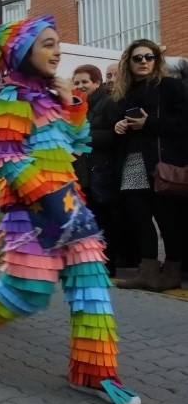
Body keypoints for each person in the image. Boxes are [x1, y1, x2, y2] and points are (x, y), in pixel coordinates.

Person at [0, 15, 141, 404]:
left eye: (57, 43)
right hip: (32, 214)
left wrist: (72, 102)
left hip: (71, 207)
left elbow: (79, 141)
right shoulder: (9, 99)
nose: (57, 52)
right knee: (29, 293)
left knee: (92, 289)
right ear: (22, 53)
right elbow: (6, 158)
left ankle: (94, 372)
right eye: (47, 45)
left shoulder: (53, 97)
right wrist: (46, 197)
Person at [113, 40, 188, 292]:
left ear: (156, 60)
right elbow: (124, 124)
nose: (143, 62)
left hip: (161, 163)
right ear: (129, 63)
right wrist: (119, 127)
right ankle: (148, 272)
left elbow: (183, 123)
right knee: (139, 216)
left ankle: (172, 273)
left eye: (148, 57)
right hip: (133, 161)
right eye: (137, 58)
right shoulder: (127, 91)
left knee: (167, 219)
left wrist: (150, 123)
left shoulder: (170, 86)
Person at [71, 64, 120, 277]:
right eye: (77, 82)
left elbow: (116, 134)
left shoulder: (107, 103)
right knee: (89, 220)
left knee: (105, 220)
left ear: (97, 83)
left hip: (101, 172)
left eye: (85, 82)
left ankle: (109, 265)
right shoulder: (75, 107)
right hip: (82, 175)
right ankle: (92, 263)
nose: (81, 86)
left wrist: (86, 139)